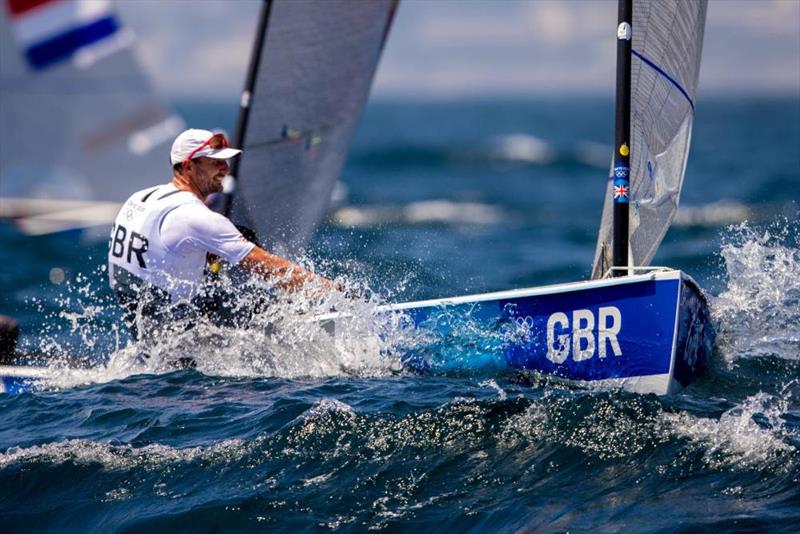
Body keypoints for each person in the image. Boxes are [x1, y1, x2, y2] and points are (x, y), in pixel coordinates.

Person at [108, 128, 336, 339]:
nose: (226, 168)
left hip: (141, 316)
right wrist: (332, 291)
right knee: (269, 312)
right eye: (216, 162)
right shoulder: (198, 217)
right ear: (188, 167)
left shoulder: (139, 198)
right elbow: (269, 268)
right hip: (174, 325)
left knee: (226, 296)